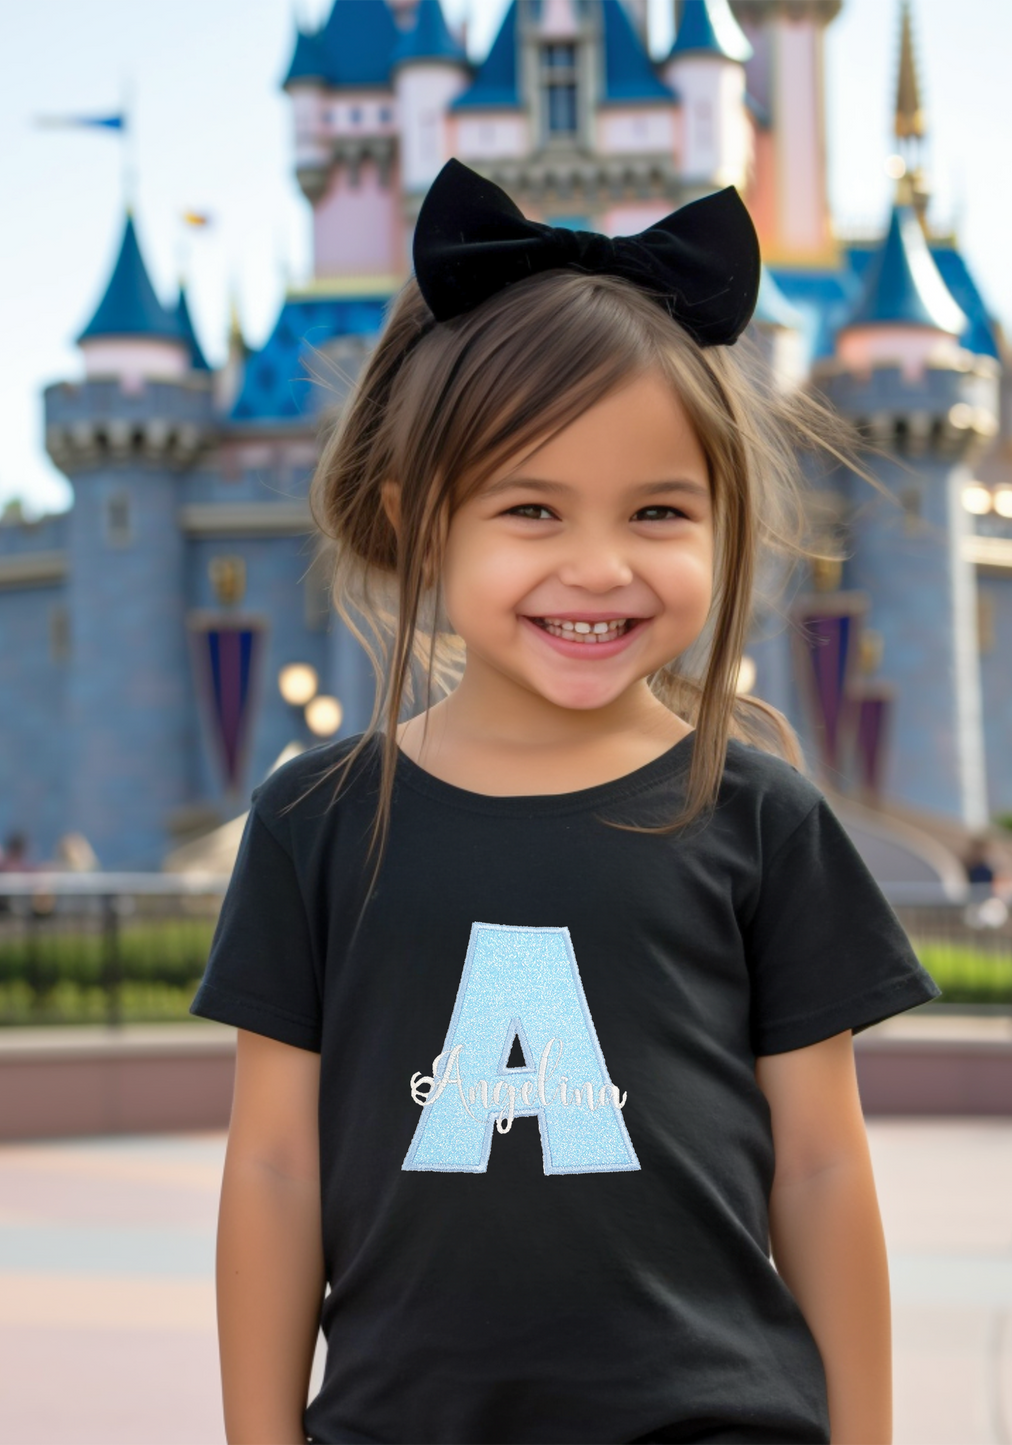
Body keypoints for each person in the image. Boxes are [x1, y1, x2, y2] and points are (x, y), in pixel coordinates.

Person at [191, 161, 939, 1445]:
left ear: (724, 525)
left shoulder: (760, 819)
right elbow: (270, 1167)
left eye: (658, 510)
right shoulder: (314, 824)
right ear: (415, 522)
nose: (599, 564)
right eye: (530, 508)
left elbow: (819, 1162)